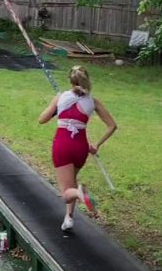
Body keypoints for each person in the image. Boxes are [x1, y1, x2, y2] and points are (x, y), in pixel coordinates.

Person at [38, 65, 118, 232]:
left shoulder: (61, 97)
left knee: (67, 193)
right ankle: (69, 218)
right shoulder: (93, 102)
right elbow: (112, 126)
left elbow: (42, 119)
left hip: (63, 144)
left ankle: (80, 194)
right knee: (71, 181)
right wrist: (97, 144)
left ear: (71, 81)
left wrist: (56, 108)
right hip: (80, 146)